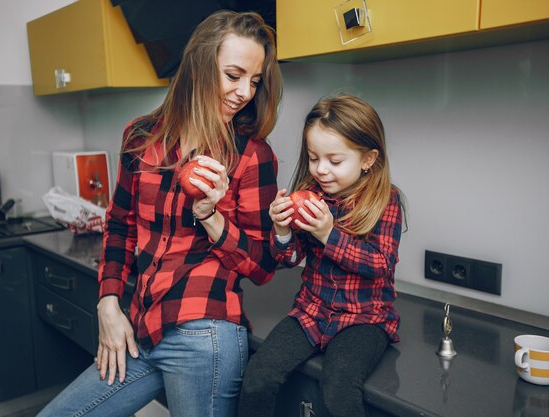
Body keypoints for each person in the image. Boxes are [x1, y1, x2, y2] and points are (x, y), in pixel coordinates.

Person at [37, 10, 282, 417]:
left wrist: (210, 216)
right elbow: (119, 225)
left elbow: (263, 265)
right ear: (199, 67)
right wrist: (108, 302)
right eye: (234, 75)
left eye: (254, 81)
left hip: (205, 335)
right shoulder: (141, 136)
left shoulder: (252, 155)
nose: (244, 92)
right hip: (139, 327)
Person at [237, 94, 405, 417]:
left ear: (368, 159)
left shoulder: (386, 201)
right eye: (314, 158)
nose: (321, 170)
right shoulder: (311, 194)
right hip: (312, 311)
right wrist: (282, 230)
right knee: (258, 376)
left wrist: (330, 234)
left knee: (339, 389)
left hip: (364, 318)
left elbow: (381, 265)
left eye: (335, 161)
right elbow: (288, 258)